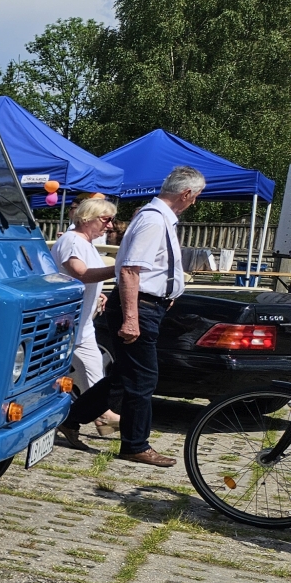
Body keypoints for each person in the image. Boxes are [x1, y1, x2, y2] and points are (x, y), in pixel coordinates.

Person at [57, 166, 204, 466]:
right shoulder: (153, 220)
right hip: (140, 307)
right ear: (186, 193)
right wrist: (132, 318)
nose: (195, 202)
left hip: (149, 305)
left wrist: (167, 294)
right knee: (143, 379)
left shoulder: (160, 218)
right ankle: (135, 444)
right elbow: (129, 270)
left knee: (125, 376)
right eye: (196, 196)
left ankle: (71, 419)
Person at [51, 197, 119, 434]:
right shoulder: (72, 241)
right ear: (88, 217)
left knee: (95, 374)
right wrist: (119, 268)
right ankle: (104, 418)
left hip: (82, 325)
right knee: (86, 377)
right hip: (65, 324)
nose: (110, 225)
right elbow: (80, 273)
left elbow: (87, 278)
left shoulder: (86, 243)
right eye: (106, 219)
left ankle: (97, 418)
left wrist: (99, 294)